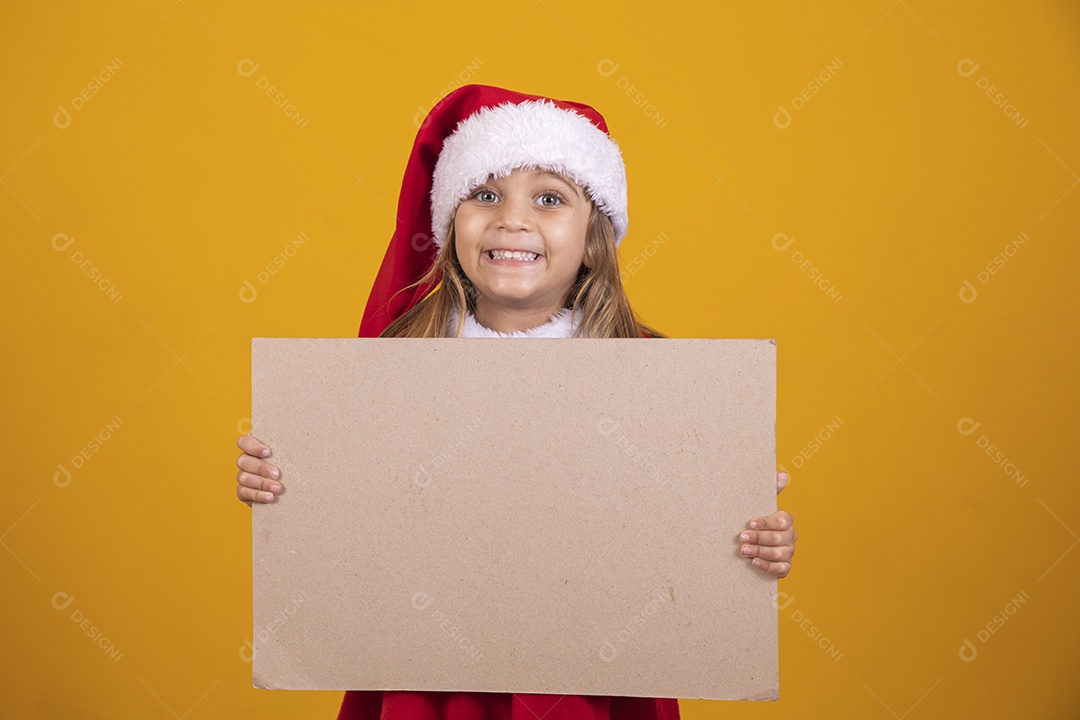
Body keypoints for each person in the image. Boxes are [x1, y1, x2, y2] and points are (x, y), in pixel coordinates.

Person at [234, 84, 797, 720]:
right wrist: (281, 484)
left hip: (594, 684)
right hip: (429, 681)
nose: (512, 219)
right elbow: (345, 523)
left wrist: (750, 539)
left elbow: (689, 562)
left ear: (593, 235)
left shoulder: (659, 381)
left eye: (550, 198)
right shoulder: (391, 367)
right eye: (484, 194)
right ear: (450, 225)